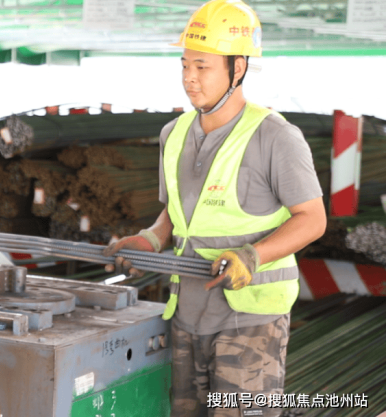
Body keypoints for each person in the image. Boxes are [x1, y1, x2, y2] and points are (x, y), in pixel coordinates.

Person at [103, 0, 327, 415]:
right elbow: (179, 212)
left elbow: (313, 219)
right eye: (185, 65)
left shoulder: (276, 137)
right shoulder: (174, 134)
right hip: (187, 314)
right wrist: (151, 239)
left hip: (251, 321)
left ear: (237, 68)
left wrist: (251, 256)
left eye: (202, 67)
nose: (189, 77)